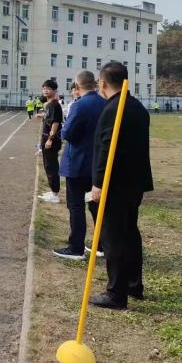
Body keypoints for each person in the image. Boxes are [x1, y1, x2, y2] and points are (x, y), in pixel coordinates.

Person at [89, 61, 154, 310]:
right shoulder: (137, 107)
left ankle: (116, 293)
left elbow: (106, 149)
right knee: (129, 234)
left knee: (113, 237)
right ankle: (133, 285)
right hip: (134, 183)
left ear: (103, 83)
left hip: (115, 184)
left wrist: (98, 183)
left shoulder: (113, 108)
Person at [54, 72, 106, 260]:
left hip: (77, 163)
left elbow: (67, 133)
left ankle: (76, 247)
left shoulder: (79, 104)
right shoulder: (104, 103)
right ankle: (101, 245)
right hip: (97, 163)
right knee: (96, 205)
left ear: (77, 84)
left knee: (76, 206)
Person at [38, 79, 63, 204]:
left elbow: (56, 123)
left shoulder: (54, 105)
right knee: (48, 165)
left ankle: (55, 194)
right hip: (46, 139)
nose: (45, 91)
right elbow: (50, 119)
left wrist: (50, 140)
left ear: (54, 91)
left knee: (51, 166)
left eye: (48, 89)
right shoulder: (49, 104)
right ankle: (53, 191)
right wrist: (42, 116)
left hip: (50, 140)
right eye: (44, 88)